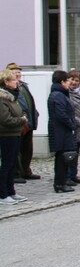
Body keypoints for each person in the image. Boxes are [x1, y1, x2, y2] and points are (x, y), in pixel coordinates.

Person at [5, 63, 40, 182]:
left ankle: (26, 171)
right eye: (15, 72)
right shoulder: (9, 89)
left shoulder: (23, 86)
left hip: (28, 121)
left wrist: (35, 115)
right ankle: (17, 173)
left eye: (19, 71)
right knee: (17, 150)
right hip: (19, 122)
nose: (18, 73)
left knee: (27, 149)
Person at [0, 69, 28, 204]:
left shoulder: (12, 96)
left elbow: (19, 111)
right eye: (13, 80)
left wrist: (22, 118)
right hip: (6, 134)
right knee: (7, 164)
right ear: (6, 82)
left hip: (15, 133)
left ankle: (11, 191)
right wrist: (21, 120)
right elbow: (6, 119)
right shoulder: (2, 98)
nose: (16, 82)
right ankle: (3, 194)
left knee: (12, 164)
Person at [48, 70, 77, 193]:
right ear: (62, 82)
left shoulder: (60, 94)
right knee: (61, 158)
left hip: (61, 130)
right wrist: (72, 124)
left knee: (63, 158)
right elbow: (61, 114)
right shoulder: (58, 95)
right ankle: (60, 183)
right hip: (60, 131)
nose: (69, 83)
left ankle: (61, 182)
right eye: (68, 81)